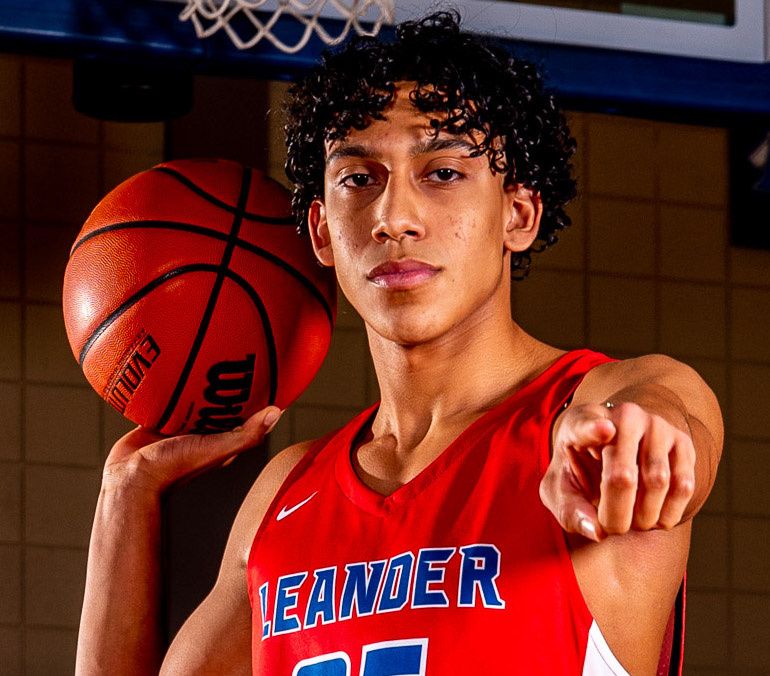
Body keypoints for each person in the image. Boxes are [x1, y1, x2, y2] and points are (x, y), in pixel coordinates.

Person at [76, 12, 723, 675]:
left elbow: (670, 418)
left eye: (443, 172)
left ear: (518, 213)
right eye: (360, 178)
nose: (394, 218)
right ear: (322, 232)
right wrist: (126, 496)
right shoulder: (284, 493)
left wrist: (640, 440)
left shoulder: (591, 414)